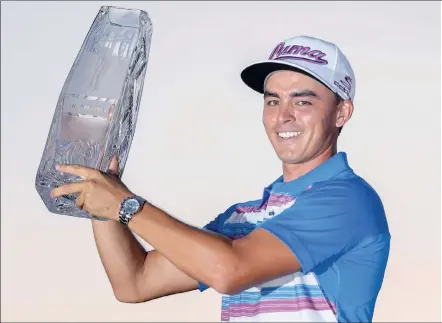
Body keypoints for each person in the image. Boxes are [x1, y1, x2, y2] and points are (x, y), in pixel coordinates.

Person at [51, 35, 391, 322]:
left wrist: (125, 206)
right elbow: (134, 282)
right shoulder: (244, 219)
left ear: (342, 112)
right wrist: (101, 194)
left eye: (302, 101)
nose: (283, 115)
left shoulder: (348, 201)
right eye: (273, 100)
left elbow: (229, 271)